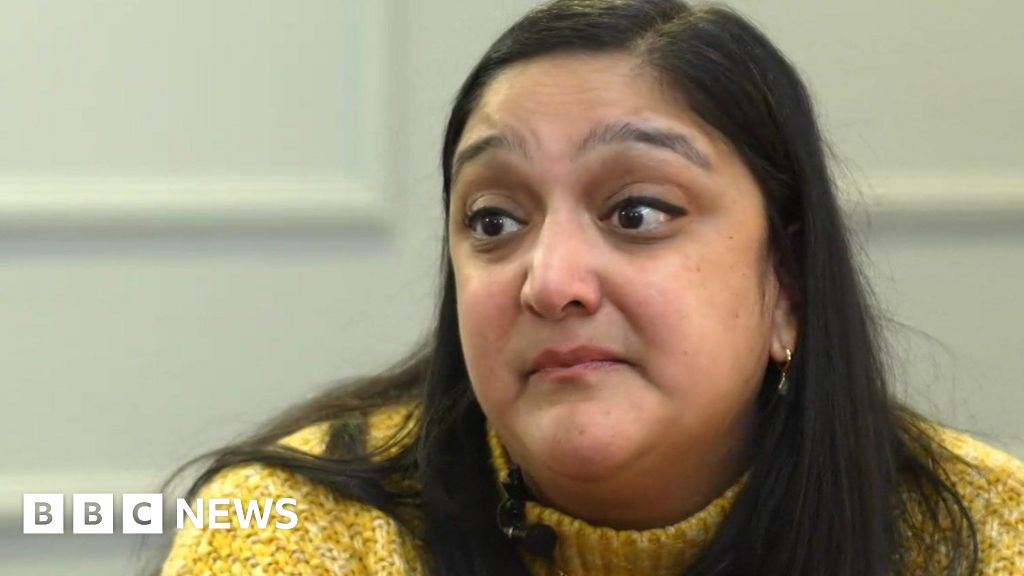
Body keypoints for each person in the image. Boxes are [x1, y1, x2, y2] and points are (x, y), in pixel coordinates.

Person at [158, 1, 1024, 575]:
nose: (551, 283)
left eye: (637, 213)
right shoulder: (295, 535)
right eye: (494, 220)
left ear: (788, 283)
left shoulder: (988, 535)